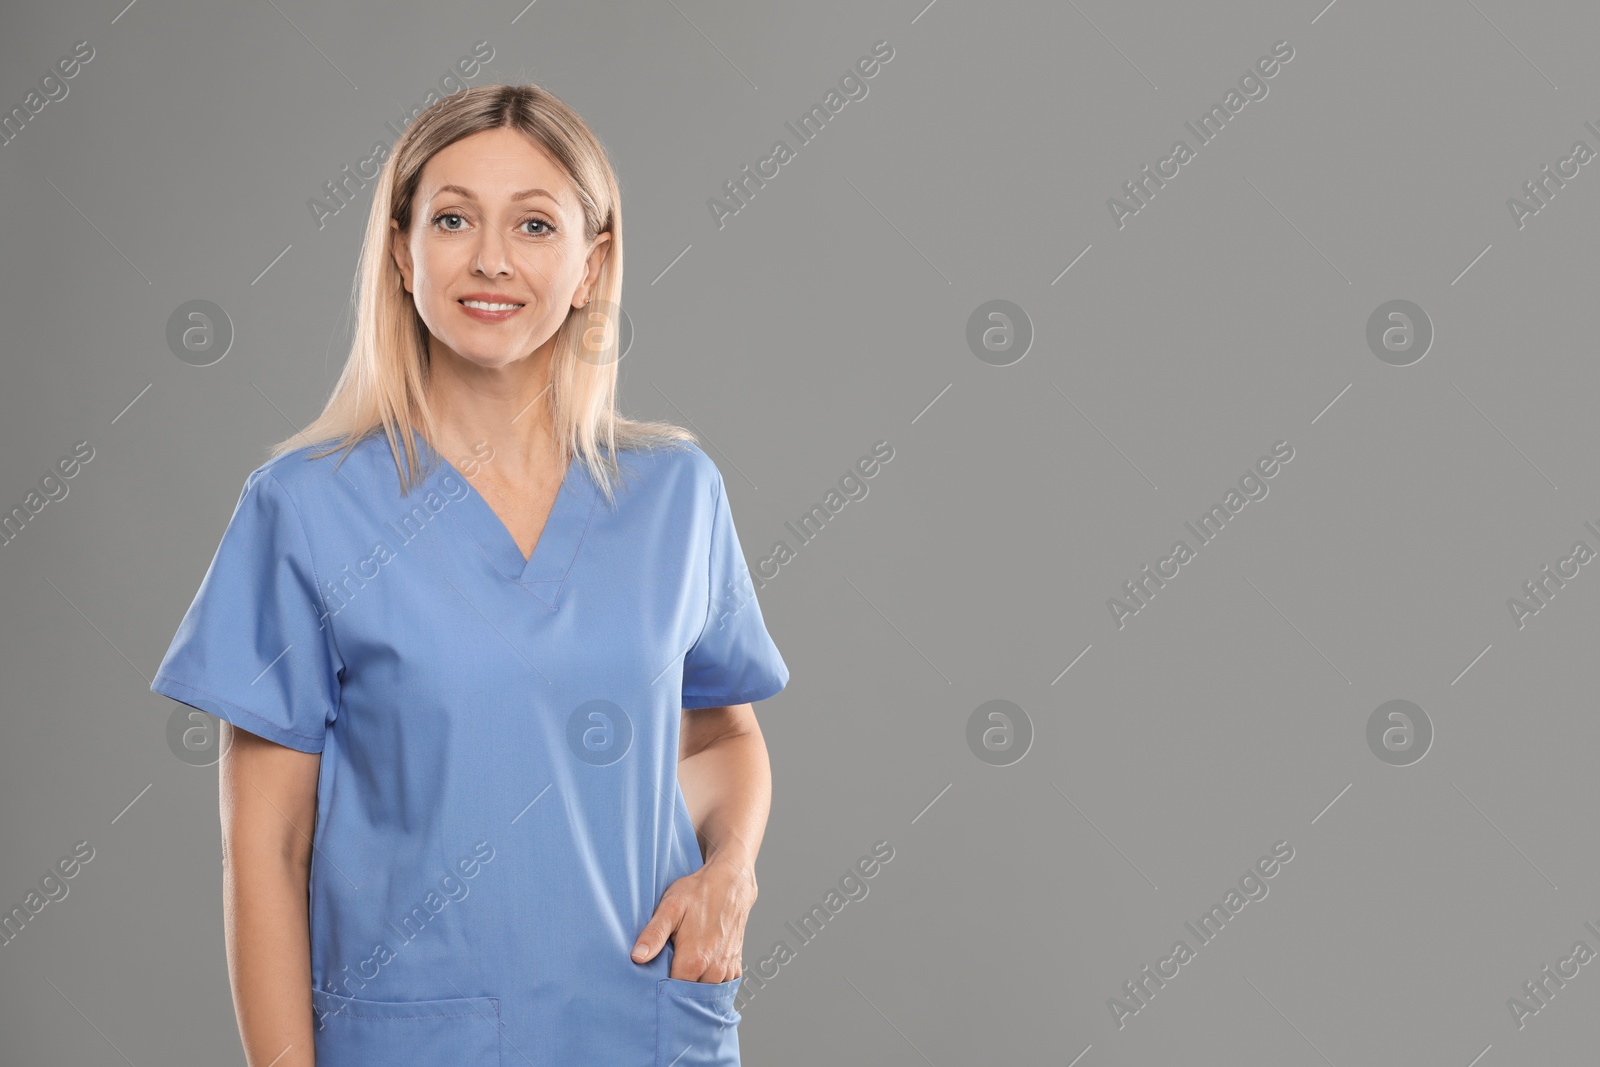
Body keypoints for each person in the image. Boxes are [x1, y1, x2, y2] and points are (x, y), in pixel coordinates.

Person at [149, 83, 789, 1067]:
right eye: (452, 218)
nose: (491, 257)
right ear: (403, 251)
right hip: (412, 1034)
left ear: (592, 263)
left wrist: (731, 869)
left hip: (643, 1024)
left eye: (535, 223)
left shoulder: (675, 495)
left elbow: (717, 734)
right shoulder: (304, 508)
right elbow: (267, 850)